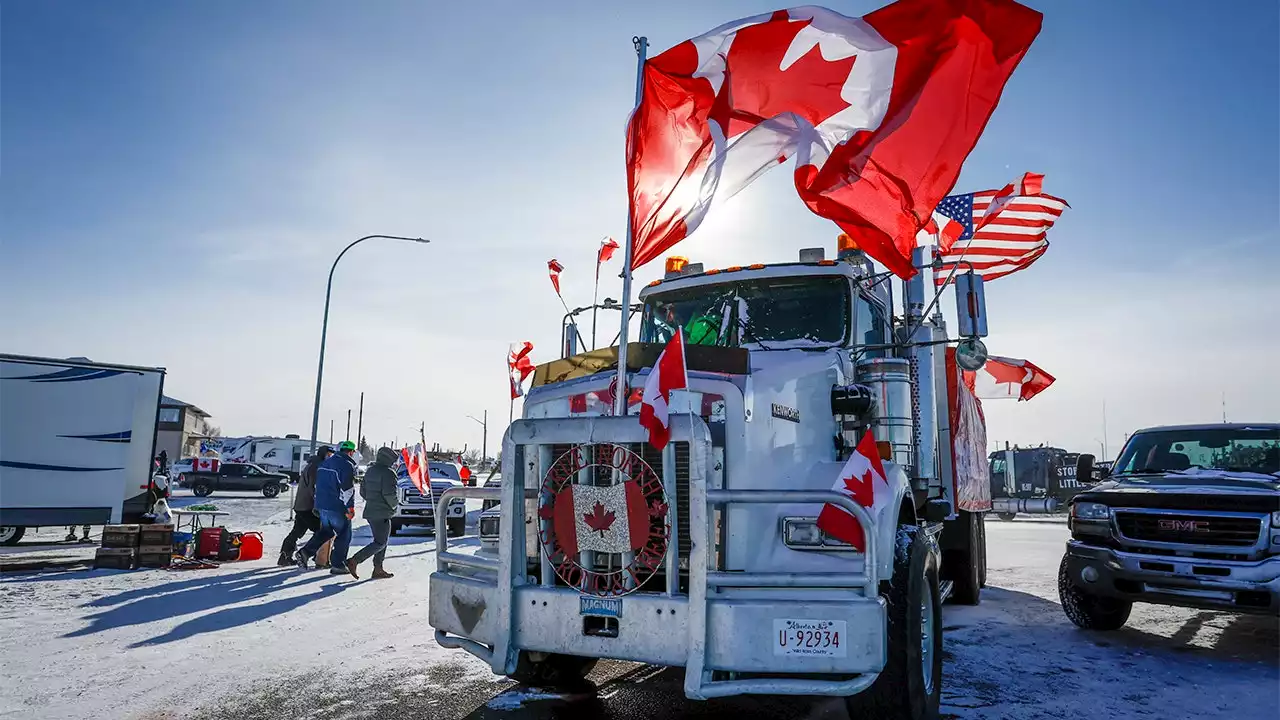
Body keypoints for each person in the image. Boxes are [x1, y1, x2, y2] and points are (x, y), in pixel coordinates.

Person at [295, 440, 358, 575]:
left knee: (326, 532)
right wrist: (350, 508)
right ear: (351, 452)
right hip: (337, 506)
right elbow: (347, 489)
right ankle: (338, 565)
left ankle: (305, 553)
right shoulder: (346, 465)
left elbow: (318, 485)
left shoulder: (325, 463)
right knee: (344, 534)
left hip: (322, 505)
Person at [346, 446, 400, 579]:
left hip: (371, 510)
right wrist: (395, 506)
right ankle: (354, 560)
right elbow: (389, 494)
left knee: (382, 540)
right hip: (382, 512)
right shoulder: (388, 473)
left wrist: (372, 499)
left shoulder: (370, 471)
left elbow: (363, 491)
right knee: (380, 542)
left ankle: (378, 569)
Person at [277, 445, 331, 566]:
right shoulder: (317, 467)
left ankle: (285, 556)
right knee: (321, 531)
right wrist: (319, 505)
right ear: (324, 454)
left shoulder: (312, 465)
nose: (330, 457)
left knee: (297, 531)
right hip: (308, 506)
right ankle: (311, 555)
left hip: (301, 505)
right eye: (329, 454)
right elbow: (316, 488)